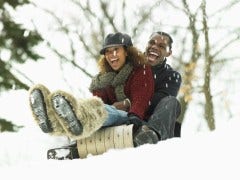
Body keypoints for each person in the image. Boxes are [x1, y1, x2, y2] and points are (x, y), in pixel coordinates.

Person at [29, 32, 155, 141]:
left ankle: (76, 114)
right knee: (92, 107)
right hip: (107, 119)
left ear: (127, 51)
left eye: (116, 49)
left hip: (131, 119)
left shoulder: (140, 70)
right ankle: (52, 120)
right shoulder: (102, 79)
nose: (112, 55)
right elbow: (99, 101)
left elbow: (141, 98)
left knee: (99, 109)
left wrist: (133, 113)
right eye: (108, 52)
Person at [130, 31, 182, 146]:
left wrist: (129, 101)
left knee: (171, 102)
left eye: (161, 46)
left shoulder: (172, 76)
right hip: (129, 116)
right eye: (151, 43)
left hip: (152, 121)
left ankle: (149, 135)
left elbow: (156, 102)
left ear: (168, 53)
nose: (154, 47)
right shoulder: (131, 65)